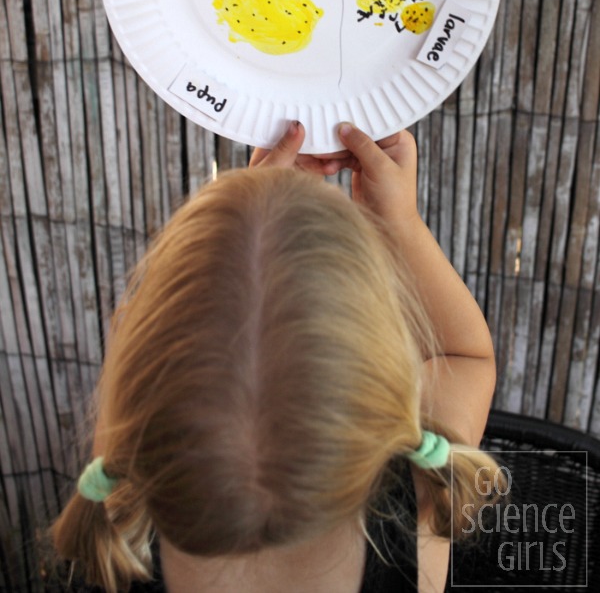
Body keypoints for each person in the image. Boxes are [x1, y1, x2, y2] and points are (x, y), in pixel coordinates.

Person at [51, 121, 499, 593]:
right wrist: (398, 222)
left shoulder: (118, 527)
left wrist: (244, 214)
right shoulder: (419, 501)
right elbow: (463, 356)